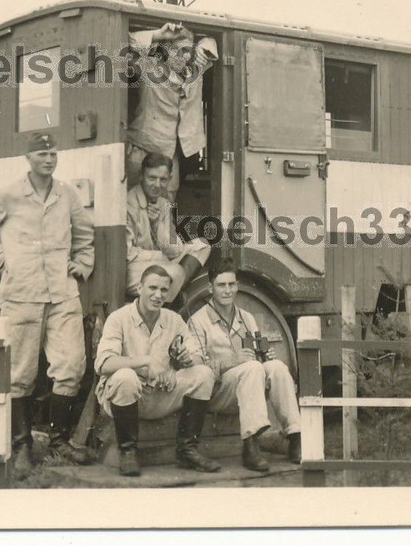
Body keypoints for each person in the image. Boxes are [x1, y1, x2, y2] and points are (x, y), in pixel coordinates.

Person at [0, 131, 95, 478]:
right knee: (19, 373)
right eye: (42, 154)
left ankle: (59, 440)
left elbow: (84, 235)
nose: (49, 159)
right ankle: (22, 446)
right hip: (21, 294)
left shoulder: (67, 195)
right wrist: (2, 261)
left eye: (53, 153)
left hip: (63, 294)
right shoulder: (8, 194)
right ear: (29, 159)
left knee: (71, 366)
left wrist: (83, 263)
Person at [94, 266, 221, 477]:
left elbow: (198, 356)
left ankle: (187, 450)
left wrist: (187, 360)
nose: (158, 295)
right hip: (128, 396)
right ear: (139, 287)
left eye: (164, 290)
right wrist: (146, 362)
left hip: (163, 393)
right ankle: (128, 452)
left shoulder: (174, 320)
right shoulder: (119, 318)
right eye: (152, 288)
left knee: (203, 374)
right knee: (125, 376)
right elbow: (103, 364)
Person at [186, 259, 302, 471]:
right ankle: (250, 444)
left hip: (248, 383)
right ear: (210, 287)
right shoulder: (197, 321)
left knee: (277, 367)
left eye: (232, 285)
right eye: (221, 285)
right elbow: (195, 367)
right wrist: (233, 360)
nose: (227, 291)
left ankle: (295, 436)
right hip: (218, 391)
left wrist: (265, 356)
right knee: (252, 368)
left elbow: (256, 355)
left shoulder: (247, 318)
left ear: (237, 286)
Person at [125, 23, 218, 195]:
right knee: (132, 201)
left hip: (169, 152)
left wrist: (203, 49)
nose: (181, 56)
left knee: (168, 201)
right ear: (164, 51)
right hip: (141, 148)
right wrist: (158, 34)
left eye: (186, 51)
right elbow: (122, 43)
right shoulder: (149, 66)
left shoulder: (196, 70)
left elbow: (215, 40)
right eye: (175, 50)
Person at [126, 150, 212, 303]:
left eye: (163, 179)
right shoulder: (129, 203)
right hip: (134, 269)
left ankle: (174, 291)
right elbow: (127, 254)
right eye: (152, 178)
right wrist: (159, 257)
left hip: (160, 263)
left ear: (170, 179)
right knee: (174, 271)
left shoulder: (164, 204)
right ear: (141, 176)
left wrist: (157, 224)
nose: (157, 185)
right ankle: (172, 296)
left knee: (202, 245)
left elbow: (175, 249)